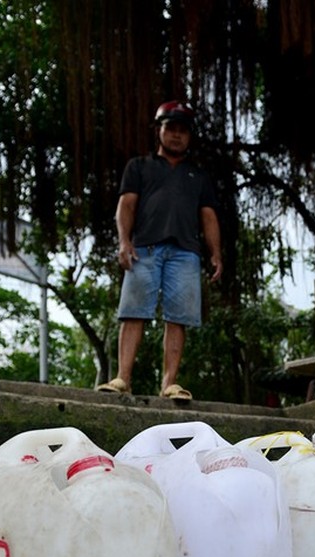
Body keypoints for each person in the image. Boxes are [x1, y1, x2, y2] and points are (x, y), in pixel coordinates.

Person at [96, 101, 223, 400]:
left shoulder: (198, 176)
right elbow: (126, 205)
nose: (177, 135)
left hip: (186, 252)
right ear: (160, 131)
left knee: (179, 317)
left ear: (189, 136)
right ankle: (122, 379)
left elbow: (208, 216)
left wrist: (215, 252)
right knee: (133, 312)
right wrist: (124, 241)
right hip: (144, 249)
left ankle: (169, 384)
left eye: (183, 131)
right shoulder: (139, 166)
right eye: (171, 128)